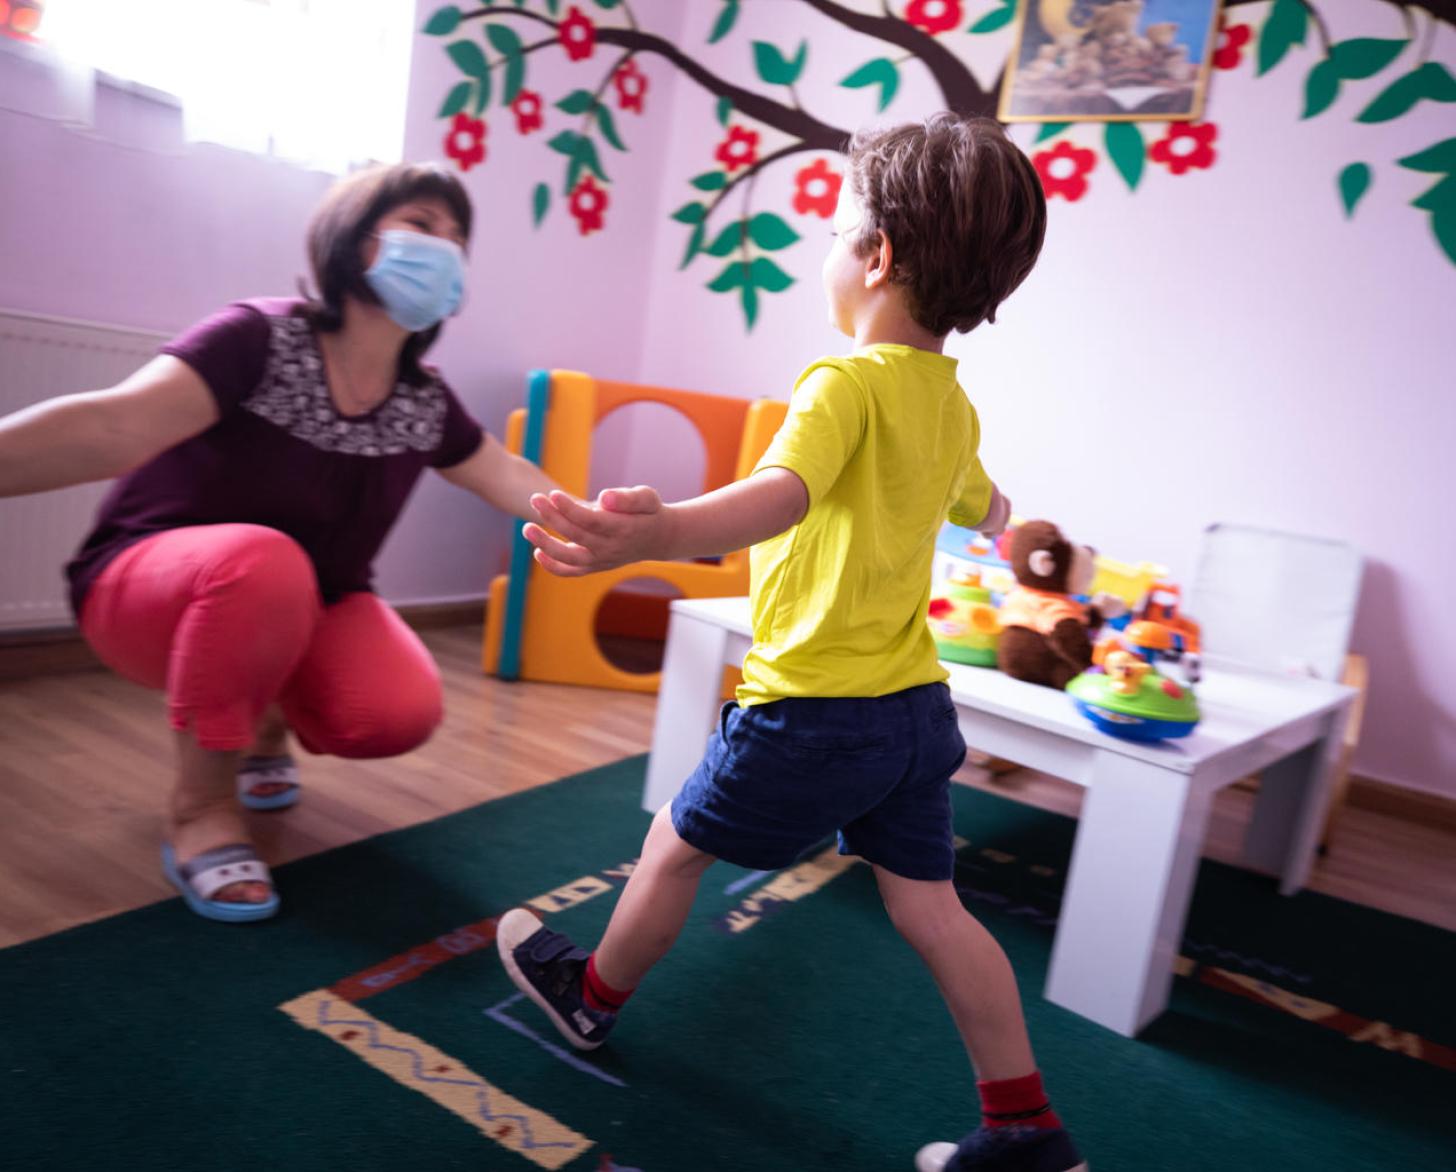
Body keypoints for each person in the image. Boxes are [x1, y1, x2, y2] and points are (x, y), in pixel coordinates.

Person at [495, 114, 1085, 1172]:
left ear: (878, 255)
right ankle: (1025, 1125)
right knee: (934, 909)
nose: (828, 250)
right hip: (914, 715)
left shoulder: (843, 383)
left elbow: (780, 493)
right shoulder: (950, 403)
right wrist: (1007, 521)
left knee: (673, 846)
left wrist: (662, 532)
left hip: (811, 709)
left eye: (834, 227)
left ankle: (590, 998)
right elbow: (983, 503)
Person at [0, 163, 562, 923]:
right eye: (423, 225)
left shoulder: (424, 400)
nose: (446, 249)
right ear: (353, 239)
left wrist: (604, 522)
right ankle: (201, 808)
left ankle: (265, 728)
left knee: (393, 712)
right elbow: (113, 424)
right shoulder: (258, 338)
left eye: (459, 239)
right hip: (149, 592)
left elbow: (506, 474)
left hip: (297, 605)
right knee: (262, 563)